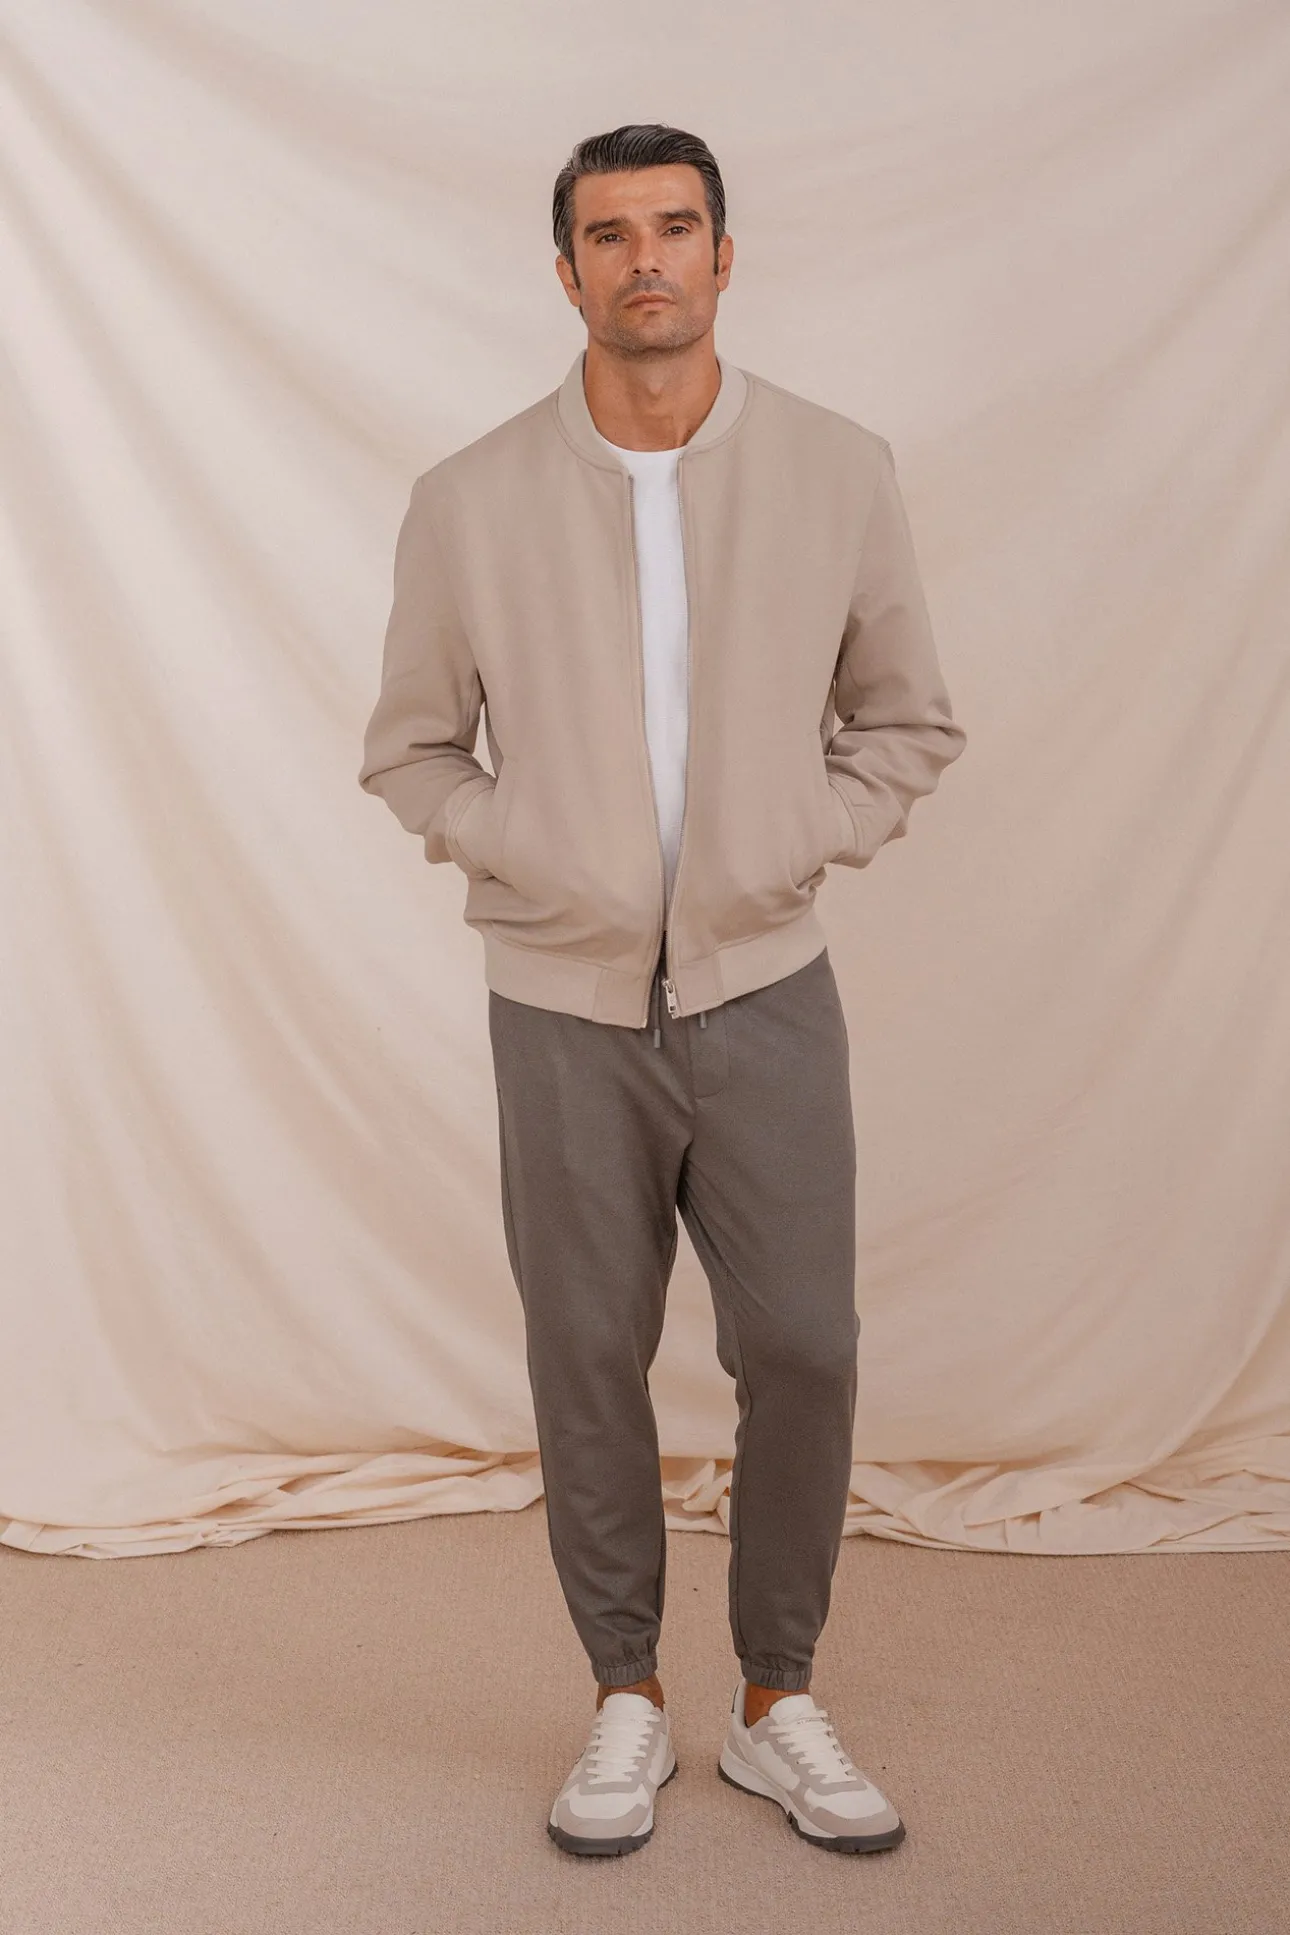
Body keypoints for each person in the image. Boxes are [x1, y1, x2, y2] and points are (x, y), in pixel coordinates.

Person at [359, 121, 966, 1859]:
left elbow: (906, 718)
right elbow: (410, 749)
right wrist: (532, 853)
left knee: (804, 1345)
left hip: (765, 985)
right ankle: (623, 1691)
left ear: (721, 256)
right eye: (611, 234)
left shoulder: (835, 467)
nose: (647, 260)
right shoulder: (469, 497)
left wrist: (797, 837)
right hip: (560, 1007)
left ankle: (775, 1700)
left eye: (676, 228)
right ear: (565, 272)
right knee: (586, 1358)